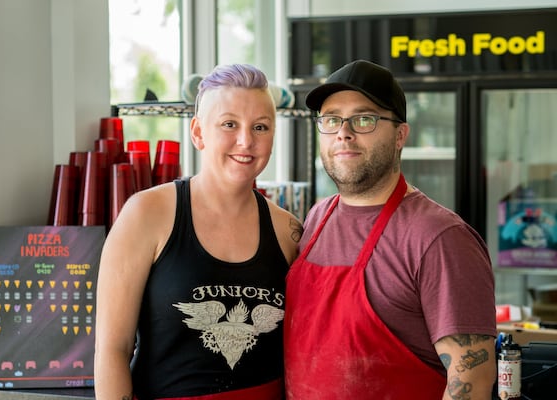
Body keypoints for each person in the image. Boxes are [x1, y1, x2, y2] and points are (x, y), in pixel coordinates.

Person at [283, 60, 497, 400]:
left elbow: (472, 383)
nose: (343, 132)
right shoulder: (316, 219)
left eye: (364, 119)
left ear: (400, 135)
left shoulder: (440, 237)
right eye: (331, 119)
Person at [94, 64, 302, 400]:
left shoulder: (288, 230)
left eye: (260, 127)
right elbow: (111, 350)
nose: (246, 140)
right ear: (198, 133)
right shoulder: (146, 214)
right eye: (229, 124)